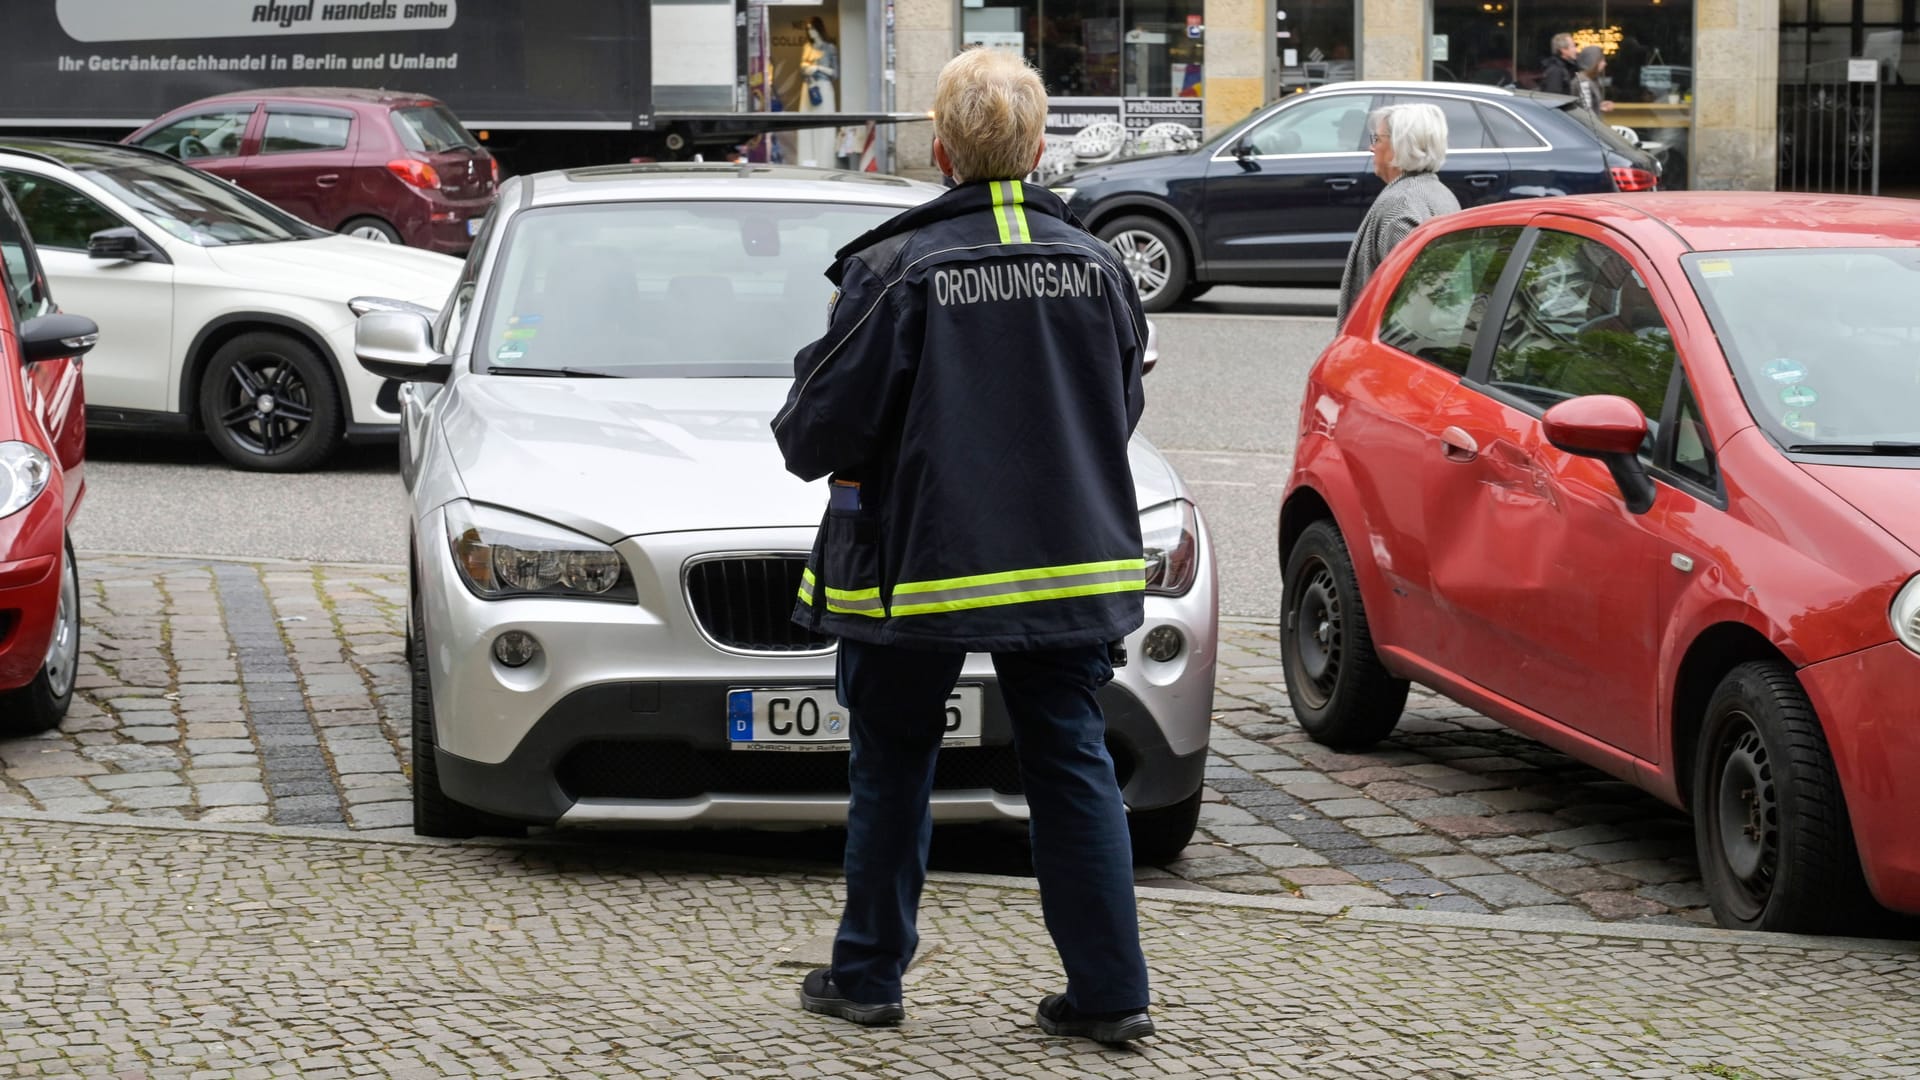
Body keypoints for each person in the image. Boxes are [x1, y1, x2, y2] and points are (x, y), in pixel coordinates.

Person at [771, 48, 1156, 1045]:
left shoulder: (894, 269)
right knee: (1072, 761)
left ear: (939, 150)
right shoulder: (1102, 265)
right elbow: (1117, 411)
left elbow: (813, 436)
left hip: (920, 562)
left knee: (893, 759)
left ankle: (867, 977)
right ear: (1036, 149)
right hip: (1069, 557)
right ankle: (1112, 995)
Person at [1335, 103, 1462, 328]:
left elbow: (1410, 305)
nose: (1371, 148)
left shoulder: (1401, 205)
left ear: (1399, 145)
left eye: (1377, 139)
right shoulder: (1440, 192)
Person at [797, 17, 839, 167]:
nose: (810, 32)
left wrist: (819, 68)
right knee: (806, 125)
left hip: (823, 86)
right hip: (808, 87)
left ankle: (825, 162)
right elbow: (801, 69)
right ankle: (806, 161)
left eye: (813, 29)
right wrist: (807, 68)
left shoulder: (830, 48)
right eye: (808, 29)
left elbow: (835, 73)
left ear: (819, 29)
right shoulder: (807, 47)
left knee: (824, 125)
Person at [1575, 46, 1615, 114]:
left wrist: (1599, 106)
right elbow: (1587, 111)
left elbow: (1589, 106)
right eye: (1601, 61)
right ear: (1592, 62)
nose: (1605, 64)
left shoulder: (1591, 80)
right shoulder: (1583, 82)